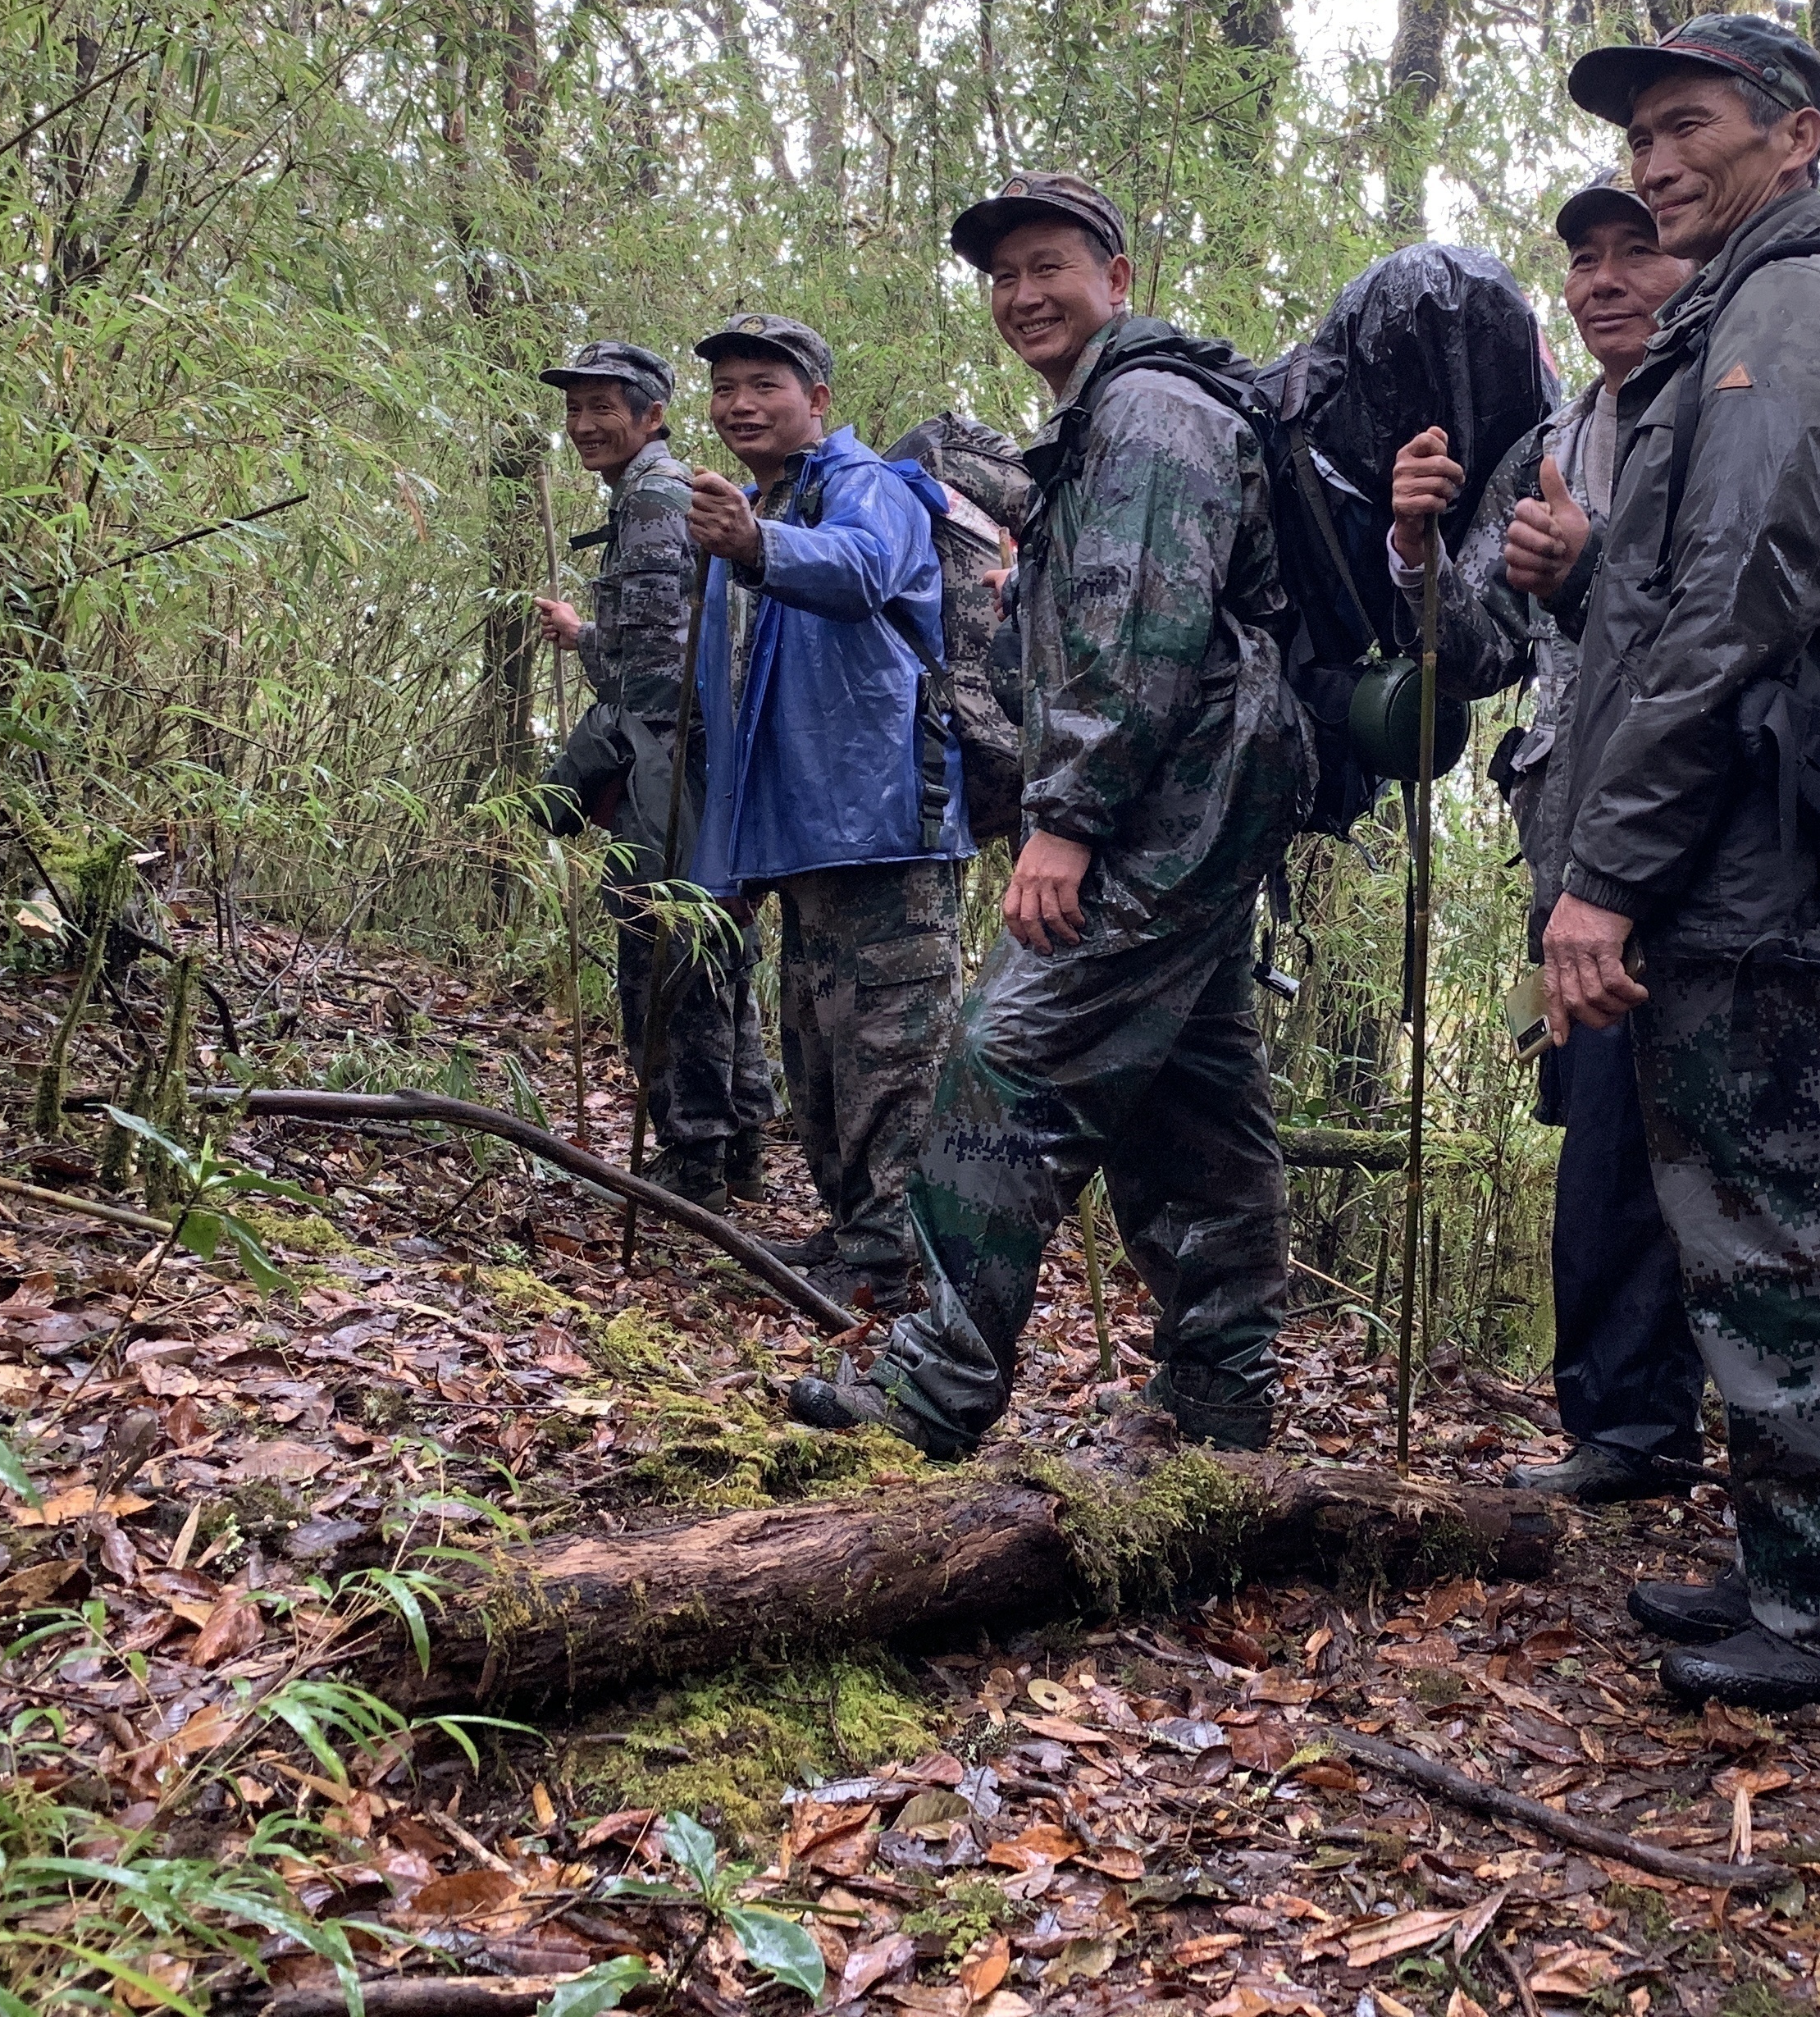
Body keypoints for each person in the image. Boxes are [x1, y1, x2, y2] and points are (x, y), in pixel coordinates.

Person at [1539, 14, 1820, 1710]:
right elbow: (1665, 607)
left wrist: (1607, 871)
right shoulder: (1735, 313)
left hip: (1769, 860)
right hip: (1736, 853)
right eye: (1640, 140)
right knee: (1745, 1223)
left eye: (1688, 124)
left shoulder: (1803, 305)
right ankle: (1797, 1569)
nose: (1655, 163)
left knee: (1800, 1224)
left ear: (1799, 135)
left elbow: (1737, 609)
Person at [791, 174, 1308, 1458]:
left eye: (1050, 268)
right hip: (1190, 797)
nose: (1024, 296)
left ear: (1117, 277)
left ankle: (931, 1390)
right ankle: (1220, 1393)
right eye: (1004, 276)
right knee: (1189, 1094)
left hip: (1163, 804)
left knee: (1004, 1069)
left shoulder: (1144, 411)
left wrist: (1066, 819)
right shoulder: (1105, 419)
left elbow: (1140, 635)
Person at [1383, 179, 1707, 1505]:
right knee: (1584, 1115)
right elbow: (1468, 651)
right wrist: (1411, 544)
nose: (1606, 279)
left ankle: (1672, 1432)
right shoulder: (1549, 444)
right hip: (1561, 854)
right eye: (1585, 258)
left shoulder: (1725, 412)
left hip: (1697, 850)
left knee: (1692, 1134)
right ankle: (1623, 1424)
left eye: (1641, 249)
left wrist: (1599, 555)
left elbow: (1740, 610)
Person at [682, 313, 974, 1312]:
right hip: (795, 829)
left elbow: (856, 574)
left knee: (891, 1051)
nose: (741, 405)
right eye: (726, 390)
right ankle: (857, 1233)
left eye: (765, 384)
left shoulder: (867, 489)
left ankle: (896, 1261)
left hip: (883, 823)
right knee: (814, 1043)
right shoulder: (751, 507)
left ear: (818, 401)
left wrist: (758, 542)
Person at [533, 340, 775, 1213]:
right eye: (575, 409)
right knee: (716, 951)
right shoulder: (661, 493)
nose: (585, 425)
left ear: (652, 416)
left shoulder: (651, 499)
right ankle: (738, 1149)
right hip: (703, 759)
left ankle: (691, 1164)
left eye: (604, 408)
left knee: (665, 955)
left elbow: (650, 671)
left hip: (674, 765)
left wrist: (590, 651)